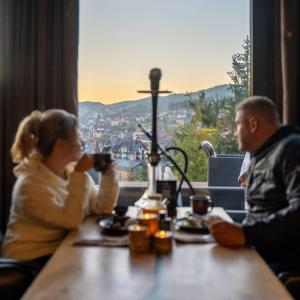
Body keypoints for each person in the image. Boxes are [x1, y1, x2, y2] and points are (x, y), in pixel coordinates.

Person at [2, 109, 119, 267]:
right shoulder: (29, 185)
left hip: (59, 251)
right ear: (61, 145)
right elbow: (70, 220)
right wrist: (79, 173)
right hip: (29, 261)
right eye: (78, 139)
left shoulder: (71, 171)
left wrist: (107, 175)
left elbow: (101, 208)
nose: (81, 145)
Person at [209, 96, 300, 273]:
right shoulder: (260, 156)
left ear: (253, 125)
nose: (235, 133)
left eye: (237, 124)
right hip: (257, 252)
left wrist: (246, 234)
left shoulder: (292, 149)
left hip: (281, 264)